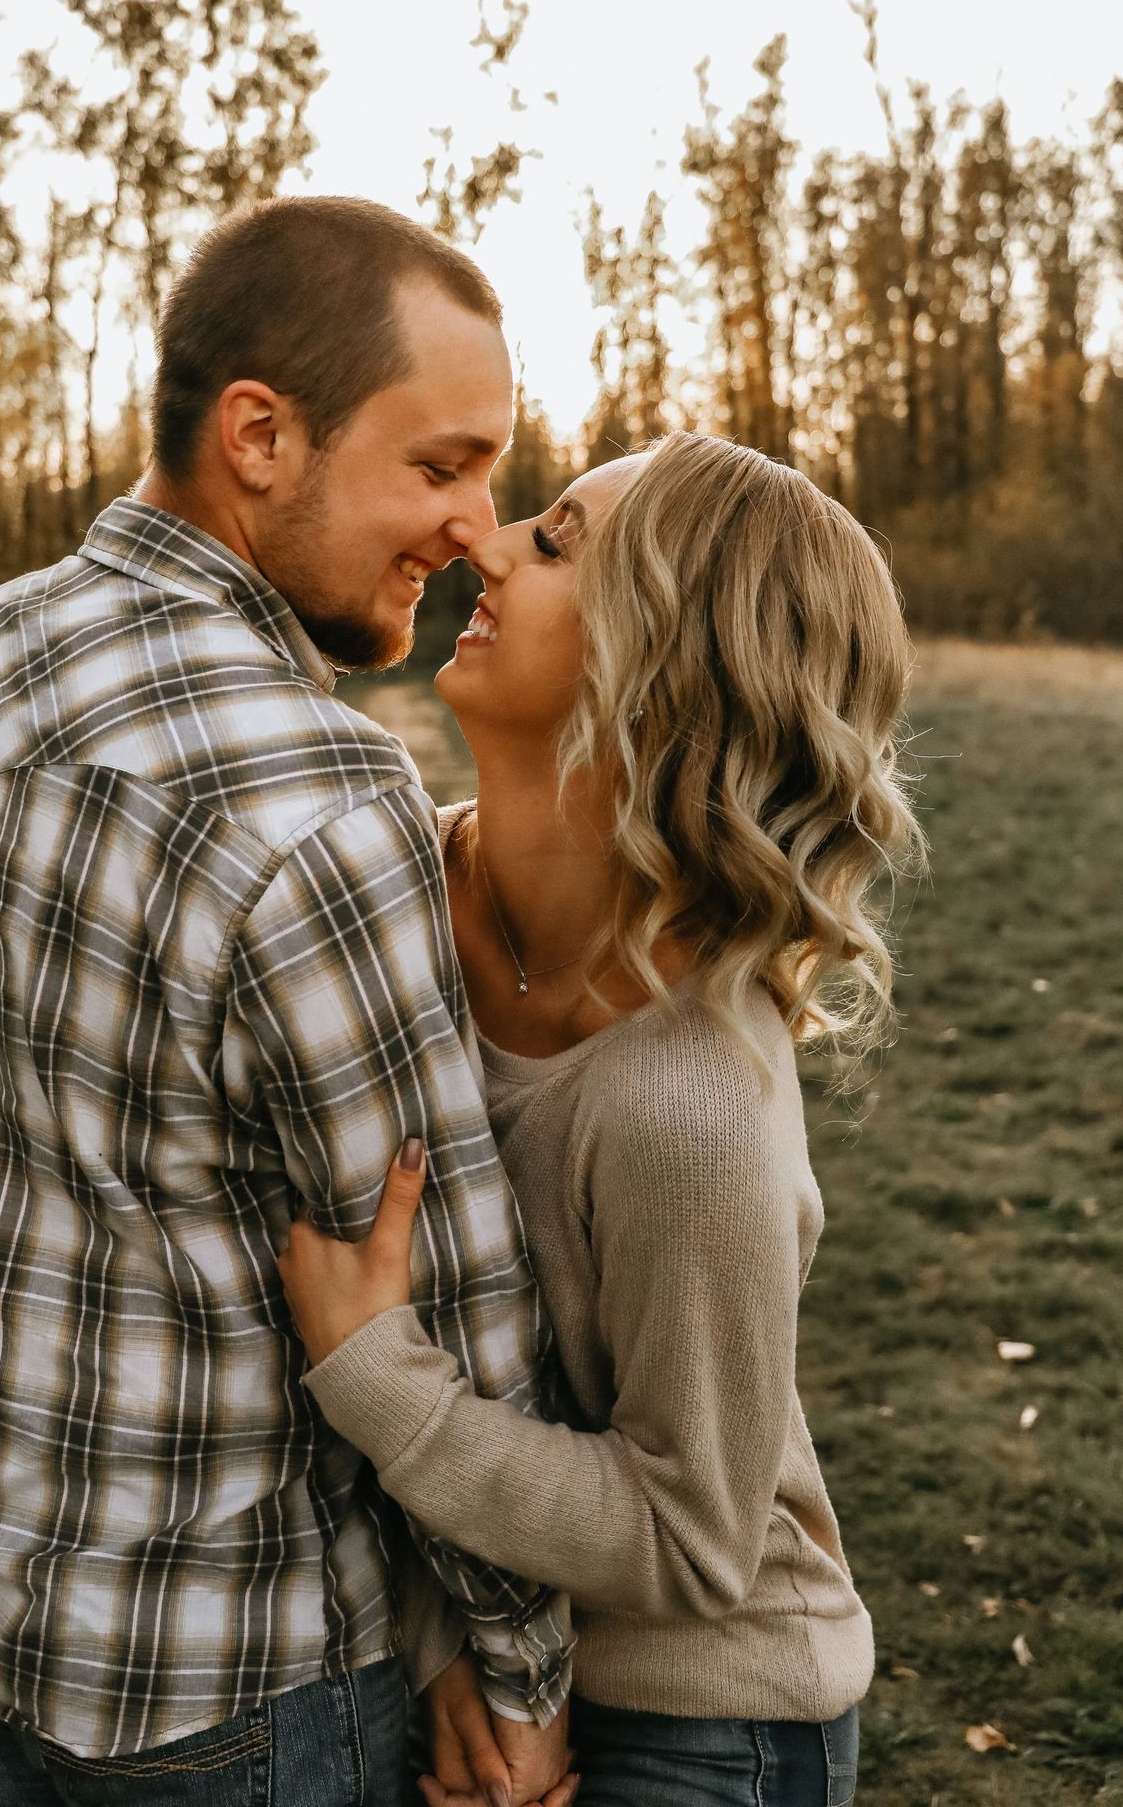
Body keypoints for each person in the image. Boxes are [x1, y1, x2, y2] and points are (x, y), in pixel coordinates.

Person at [0, 197, 578, 1807]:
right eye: (441, 464)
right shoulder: (318, 794)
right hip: (223, 1684)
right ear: (261, 434)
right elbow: (442, 1297)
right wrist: (514, 1665)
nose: (474, 526)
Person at [280, 433, 926, 1807]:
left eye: (558, 541)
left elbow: (693, 1540)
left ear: (670, 672)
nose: (483, 543)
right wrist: (460, 1652)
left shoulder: (687, 1102)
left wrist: (383, 1382)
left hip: (699, 1714)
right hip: (491, 1652)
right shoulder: (389, 902)